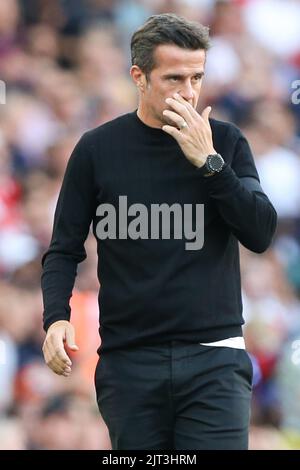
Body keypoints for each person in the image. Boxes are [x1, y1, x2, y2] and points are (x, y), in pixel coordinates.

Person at [41, 13, 277, 450]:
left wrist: (210, 164)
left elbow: (260, 233)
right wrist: (56, 316)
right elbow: (63, 248)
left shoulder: (225, 143)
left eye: (197, 77)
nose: (189, 92)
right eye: (174, 78)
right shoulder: (97, 149)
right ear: (139, 77)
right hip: (129, 361)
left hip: (215, 356)